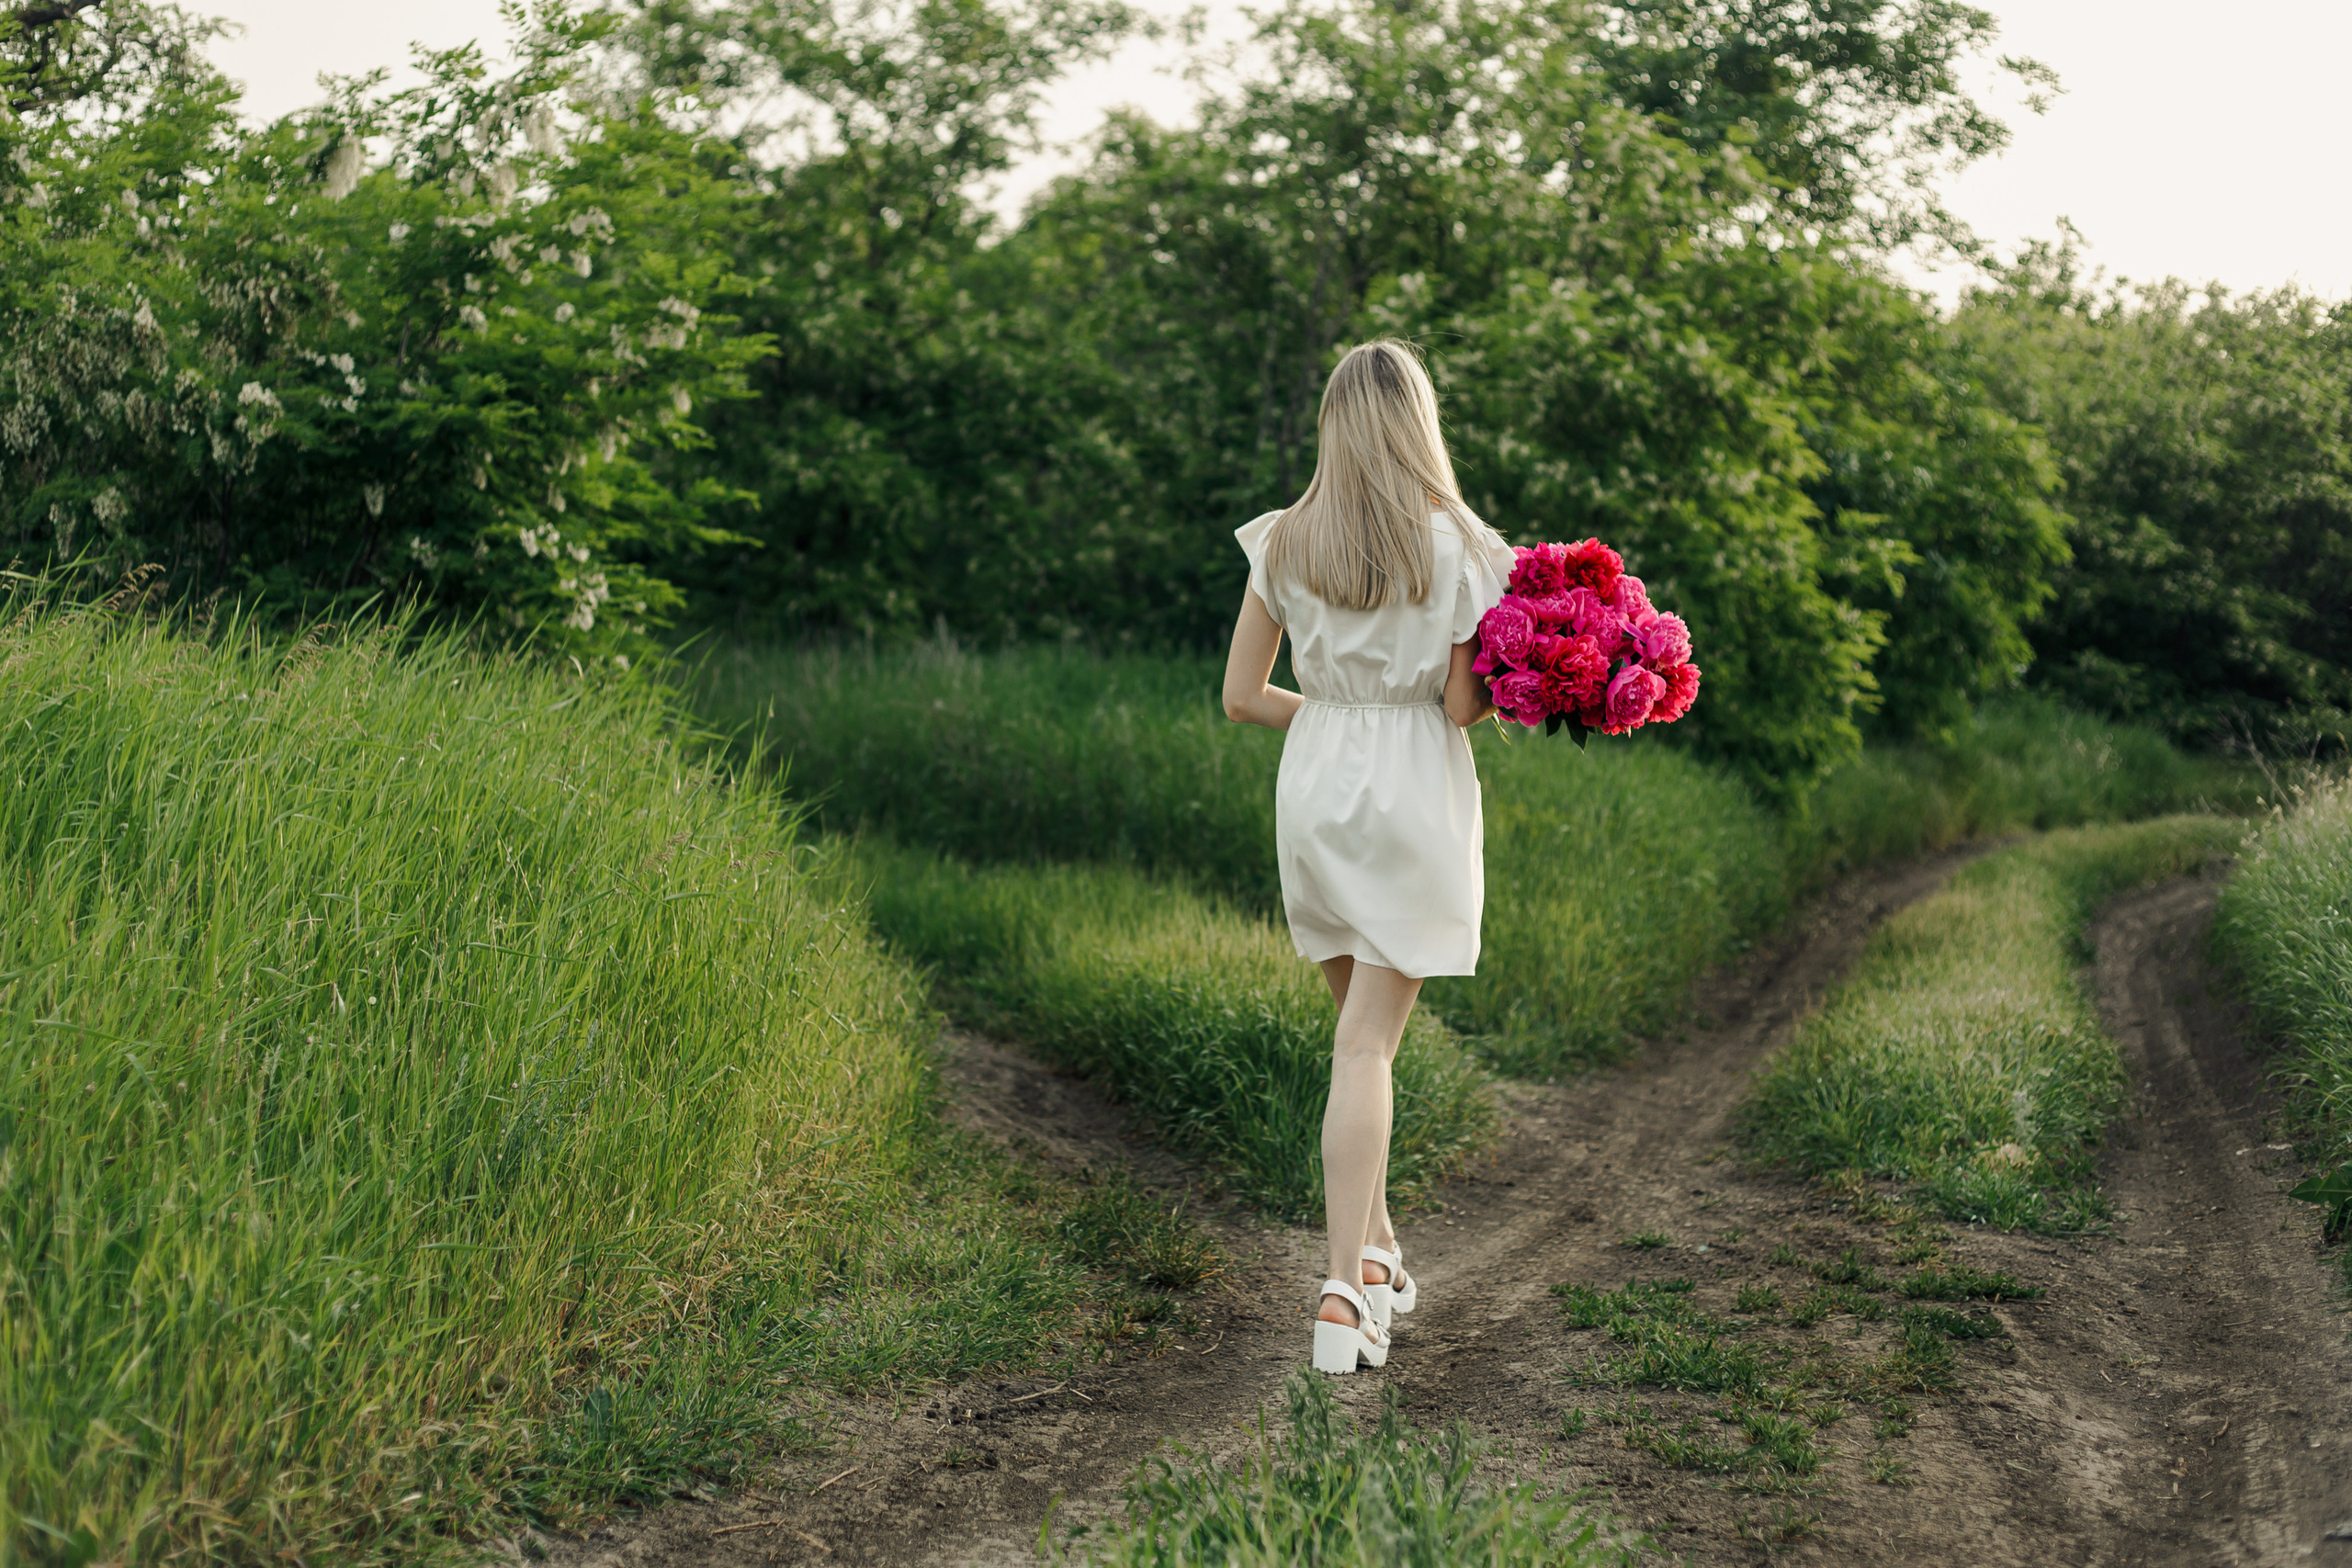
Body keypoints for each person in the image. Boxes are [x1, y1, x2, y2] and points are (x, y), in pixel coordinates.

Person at [1220, 339, 1515, 1374]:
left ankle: (1380, 1253)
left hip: (1315, 788)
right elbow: (1458, 706)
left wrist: (1336, 716)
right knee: (1367, 1050)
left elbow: (1243, 697)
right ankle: (1342, 1292)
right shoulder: (1469, 550)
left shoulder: (1287, 540)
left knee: (1355, 1041)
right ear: (1418, 423)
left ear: (1332, 425)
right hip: (1412, 797)